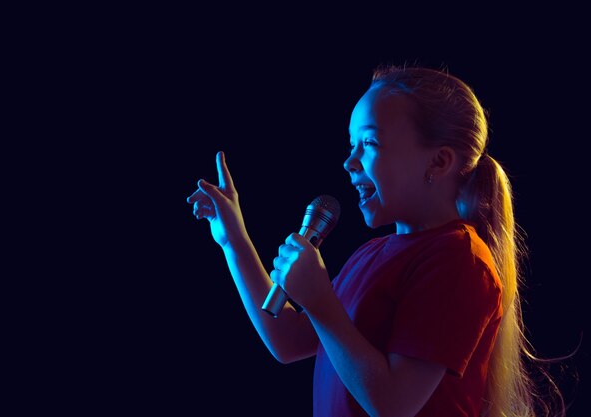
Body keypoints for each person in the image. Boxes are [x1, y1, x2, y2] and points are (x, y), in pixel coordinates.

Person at [186, 65, 565, 417]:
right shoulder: (371, 253)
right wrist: (232, 239)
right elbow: (287, 340)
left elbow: (393, 404)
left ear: (438, 162)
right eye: (351, 145)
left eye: (368, 143)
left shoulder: (460, 261)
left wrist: (319, 301)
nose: (350, 162)